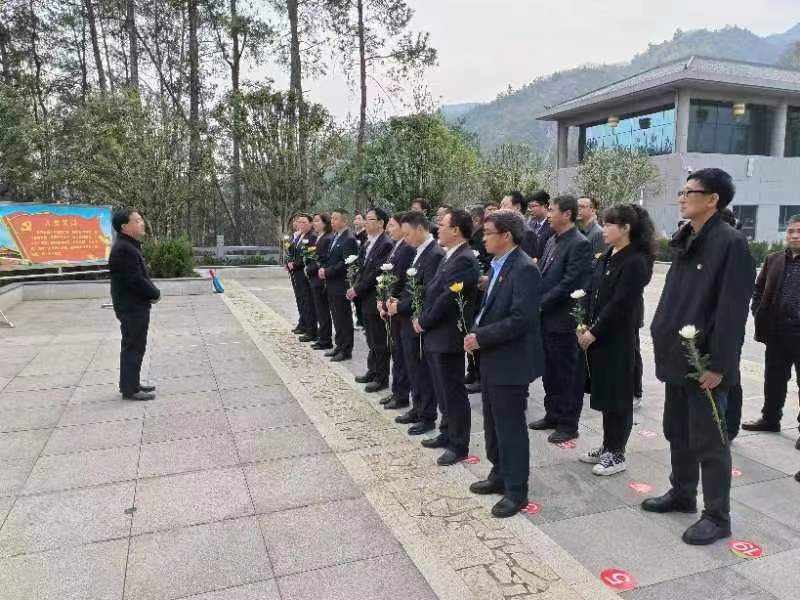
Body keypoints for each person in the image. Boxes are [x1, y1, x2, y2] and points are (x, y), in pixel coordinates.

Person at [644, 168, 755, 546]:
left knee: (710, 440)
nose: (682, 197)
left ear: (713, 200)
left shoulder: (731, 243)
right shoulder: (687, 237)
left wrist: (719, 366)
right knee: (677, 430)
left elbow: (732, 311)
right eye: (683, 191)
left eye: (690, 192)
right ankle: (682, 492)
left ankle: (717, 516)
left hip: (705, 362)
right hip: (677, 355)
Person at [465, 210, 544, 518]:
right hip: (493, 356)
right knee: (493, 422)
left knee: (510, 428)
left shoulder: (524, 268)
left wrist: (481, 336)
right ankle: (498, 473)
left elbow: (521, 319)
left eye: (488, 233)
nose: (483, 238)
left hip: (511, 360)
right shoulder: (498, 264)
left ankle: (516, 490)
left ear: (506, 236)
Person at [577, 204, 655, 476]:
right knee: (606, 394)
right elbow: (591, 291)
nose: (604, 229)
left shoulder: (635, 261)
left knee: (618, 396)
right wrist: (582, 323)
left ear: (626, 228)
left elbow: (620, 304)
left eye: (610, 224)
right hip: (598, 334)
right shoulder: (607, 255)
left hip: (618, 337)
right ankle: (607, 445)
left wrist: (594, 331)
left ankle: (617, 452)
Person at [414, 209, 481, 465]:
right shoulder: (450, 254)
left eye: (442, 225)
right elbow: (434, 290)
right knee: (442, 389)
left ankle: (458, 444)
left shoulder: (464, 259)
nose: (437, 229)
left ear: (455, 230)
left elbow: (448, 299)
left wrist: (424, 321)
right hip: (436, 333)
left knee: (453, 392)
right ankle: (446, 431)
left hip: (448, 335)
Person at [528, 195, 592, 443]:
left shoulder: (579, 243)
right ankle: (552, 414)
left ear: (567, 214)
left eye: (553, 210)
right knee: (550, 371)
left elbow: (570, 283)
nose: (549, 214)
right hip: (547, 319)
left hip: (565, 320)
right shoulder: (552, 240)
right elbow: (542, 274)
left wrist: (540, 303)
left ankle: (568, 423)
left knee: (566, 374)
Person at [743, 213, 800, 451]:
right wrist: (758, 311)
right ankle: (770, 418)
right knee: (774, 378)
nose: (794, 236)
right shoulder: (773, 260)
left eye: (799, 232)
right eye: (791, 231)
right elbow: (758, 289)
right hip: (777, 331)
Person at [389, 212, 445, 436]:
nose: (405, 238)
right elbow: (410, 285)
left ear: (420, 229)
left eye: (407, 234)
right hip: (407, 320)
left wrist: (400, 306)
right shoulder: (419, 251)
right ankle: (417, 407)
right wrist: (395, 301)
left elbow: (427, 292)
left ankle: (427, 416)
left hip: (418, 321)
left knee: (422, 371)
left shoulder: (434, 254)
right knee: (412, 368)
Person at [109, 209, 160, 401]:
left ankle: (132, 383)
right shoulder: (124, 249)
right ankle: (130, 389)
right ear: (125, 226)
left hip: (134, 305)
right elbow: (136, 280)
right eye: (137, 220)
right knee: (133, 346)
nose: (142, 223)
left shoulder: (128, 246)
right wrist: (155, 293)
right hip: (131, 307)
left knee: (136, 345)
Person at [348, 208, 394, 392]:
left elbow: (376, 273)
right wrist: (354, 285)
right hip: (365, 297)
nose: (365, 223)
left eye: (370, 219)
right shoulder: (369, 241)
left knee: (379, 340)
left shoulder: (385, 243)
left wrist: (357, 289)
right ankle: (372, 370)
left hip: (375, 297)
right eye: (365, 219)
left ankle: (381, 377)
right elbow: (362, 268)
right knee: (371, 338)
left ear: (381, 222)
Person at [378, 213, 415, 410]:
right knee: (396, 351)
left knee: (401, 354)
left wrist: (389, 303)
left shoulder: (407, 249)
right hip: (390, 305)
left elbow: (400, 279)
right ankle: (396, 391)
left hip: (399, 308)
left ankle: (401, 395)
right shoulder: (397, 246)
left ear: (403, 227)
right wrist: (381, 300)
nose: (388, 229)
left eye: (392, 225)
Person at [319, 209, 359, 362]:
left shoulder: (349, 239)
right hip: (331, 284)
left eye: (336, 218)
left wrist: (327, 271)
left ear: (344, 221)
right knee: (336, 317)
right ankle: (339, 345)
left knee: (343, 318)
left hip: (341, 284)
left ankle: (346, 349)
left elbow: (346, 263)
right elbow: (330, 258)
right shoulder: (335, 236)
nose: (332, 221)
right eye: (332, 218)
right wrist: (323, 269)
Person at [466, 206, 491, 394]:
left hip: (481, 293)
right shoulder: (472, 237)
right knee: (470, 331)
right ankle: (472, 371)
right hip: (473, 293)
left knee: (478, 334)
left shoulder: (482, 238)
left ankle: (480, 375)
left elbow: (486, 262)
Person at [306, 213, 334, 351]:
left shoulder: (327, 239)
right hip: (315, 278)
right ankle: (322, 337)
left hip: (320, 280)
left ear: (325, 223)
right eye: (314, 221)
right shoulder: (320, 237)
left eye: (317, 221)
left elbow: (322, 260)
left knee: (323, 311)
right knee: (319, 310)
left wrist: (310, 268)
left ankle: (325, 339)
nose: (314, 223)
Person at [291, 214, 318, 343]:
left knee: (308, 302)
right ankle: (303, 324)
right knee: (300, 300)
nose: (300, 224)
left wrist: (295, 264)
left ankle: (311, 330)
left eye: (304, 222)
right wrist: (289, 262)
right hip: (296, 274)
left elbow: (309, 257)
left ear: (310, 224)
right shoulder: (298, 236)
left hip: (305, 274)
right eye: (299, 222)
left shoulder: (312, 237)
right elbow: (293, 253)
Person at [526, 191, 553, 261]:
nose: (529, 209)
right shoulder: (529, 224)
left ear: (545, 206)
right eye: (529, 206)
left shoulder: (552, 226)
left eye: (533, 206)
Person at [352, 210, 368, 328]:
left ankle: (362, 320)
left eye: (359, 219)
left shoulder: (366, 236)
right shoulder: (353, 236)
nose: (356, 221)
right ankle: (359, 318)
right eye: (355, 219)